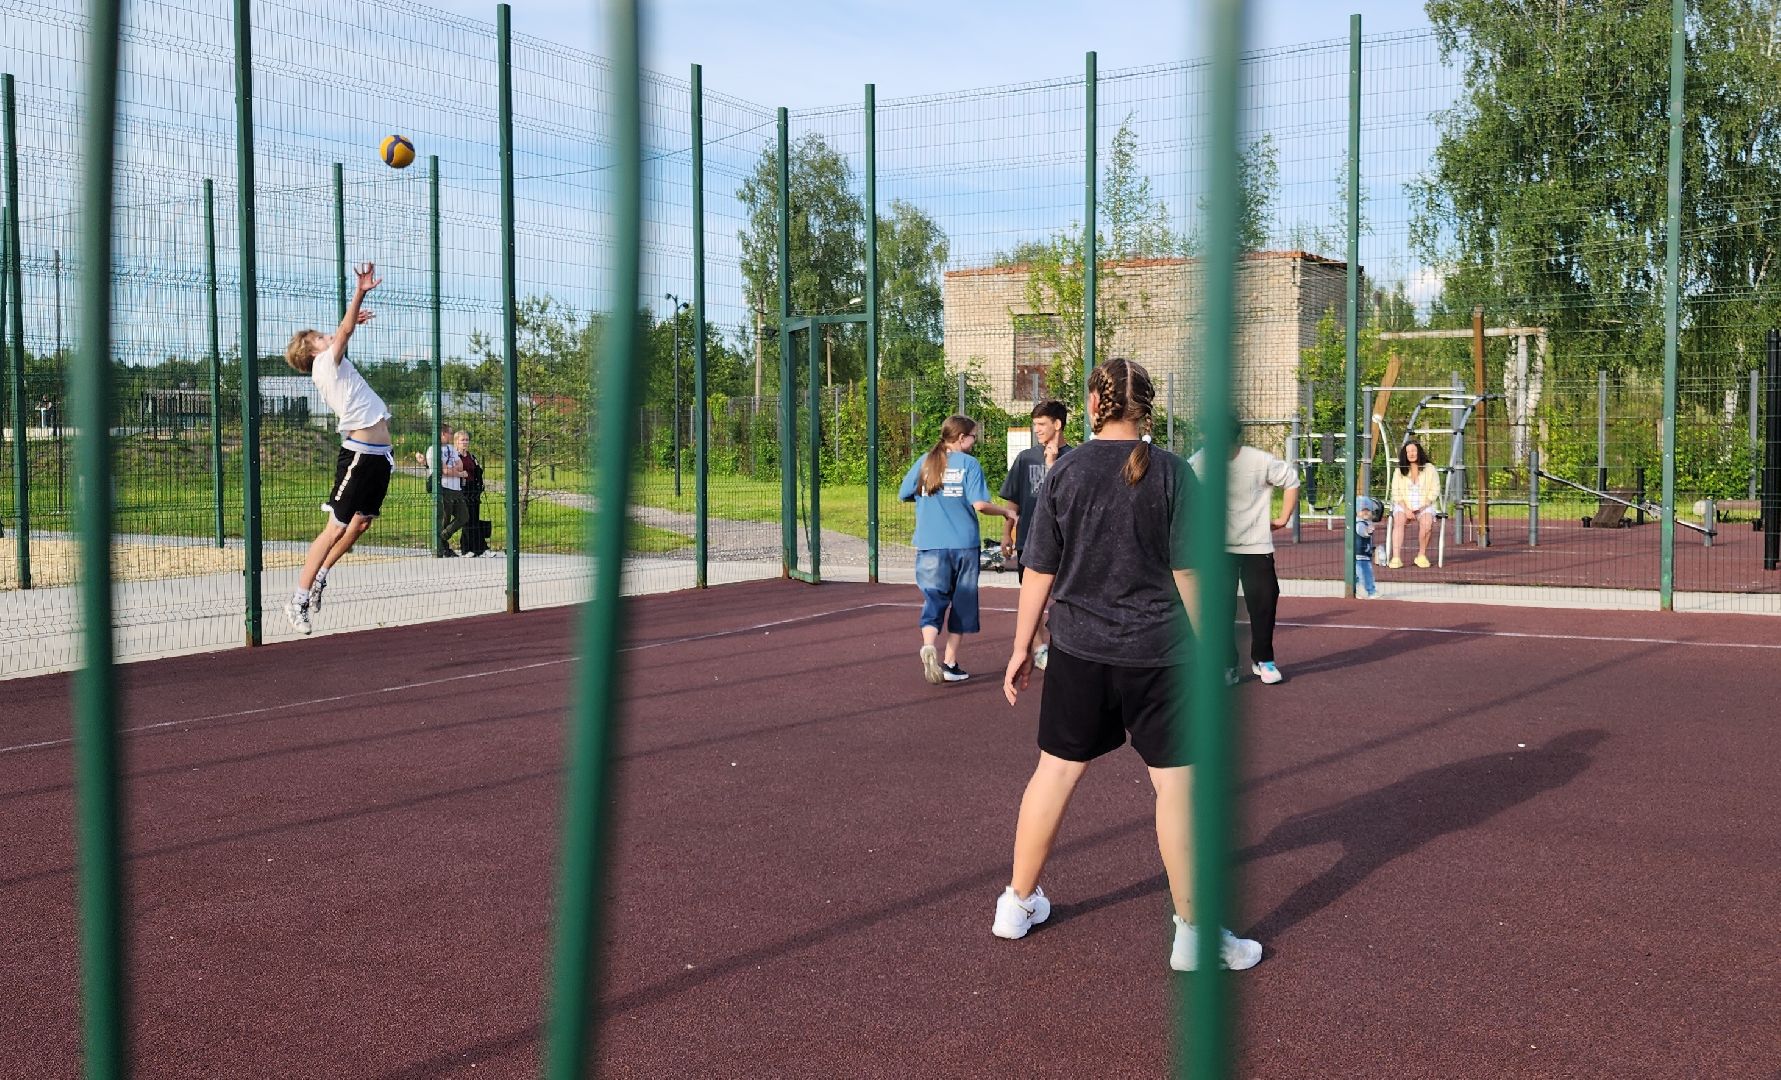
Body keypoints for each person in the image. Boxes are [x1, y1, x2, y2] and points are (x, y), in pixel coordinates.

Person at [996, 357, 1262, 972]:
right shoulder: (1170, 472)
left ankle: (1015, 904)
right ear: (1146, 405)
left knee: (1055, 773)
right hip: (1159, 654)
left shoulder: (1063, 471)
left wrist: (1019, 648)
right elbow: (1189, 571)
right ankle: (1195, 934)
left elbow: (1039, 569)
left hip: (1079, 650)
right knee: (1177, 786)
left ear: (1093, 405)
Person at [280, 262, 389, 636]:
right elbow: (342, 331)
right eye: (321, 338)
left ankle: (323, 574)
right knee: (335, 527)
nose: (330, 337)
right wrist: (360, 291)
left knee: (361, 522)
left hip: (379, 456)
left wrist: (351, 324)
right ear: (312, 351)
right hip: (358, 454)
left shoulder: (330, 363)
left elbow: (343, 332)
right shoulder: (325, 363)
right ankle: (297, 599)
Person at [898, 414, 1017, 685]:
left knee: (934, 599)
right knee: (962, 603)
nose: (975, 441)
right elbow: (980, 504)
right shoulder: (970, 464)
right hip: (963, 545)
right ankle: (950, 663)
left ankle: (929, 644)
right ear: (962, 438)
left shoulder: (925, 461)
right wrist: (1007, 511)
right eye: (974, 436)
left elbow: (904, 493)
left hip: (930, 544)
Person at [1189, 420, 1299, 686]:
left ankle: (1264, 660)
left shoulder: (1259, 460)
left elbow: (1292, 480)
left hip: (1256, 546)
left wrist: (1283, 518)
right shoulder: (1200, 462)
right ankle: (1228, 665)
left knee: (1263, 605)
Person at [999, 399, 1072, 670]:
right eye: (1035, 425)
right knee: (1032, 596)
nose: (1037, 430)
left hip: (1065, 543)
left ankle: (1066, 646)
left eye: (1042, 424)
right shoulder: (1025, 458)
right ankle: (1039, 647)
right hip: (1028, 538)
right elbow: (1013, 502)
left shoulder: (1074, 458)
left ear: (1058, 424)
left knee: (1063, 595)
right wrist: (1008, 534)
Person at [414, 424, 468, 557]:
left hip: (456, 487)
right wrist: (459, 474)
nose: (451, 435)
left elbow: (460, 465)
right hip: (444, 488)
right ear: (443, 434)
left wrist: (454, 471)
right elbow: (443, 471)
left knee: (464, 516)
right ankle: (442, 547)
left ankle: (441, 538)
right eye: (450, 433)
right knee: (445, 517)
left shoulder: (451, 448)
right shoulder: (433, 450)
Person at [1389, 439, 1441, 569]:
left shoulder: (1430, 469)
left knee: (1427, 524)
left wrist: (1423, 506)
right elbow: (1396, 492)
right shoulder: (1399, 470)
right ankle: (1396, 557)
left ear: (1418, 451)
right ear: (1404, 454)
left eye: (1413, 450)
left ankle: (1421, 555)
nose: (1411, 454)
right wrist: (1406, 509)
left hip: (1424, 505)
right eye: (1408, 452)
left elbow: (1435, 489)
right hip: (1404, 505)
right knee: (1399, 521)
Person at [456, 430, 488, 556]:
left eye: (467, 440)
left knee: (474, 518)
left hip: (473, 489)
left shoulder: (471, 456)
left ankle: (478, 548)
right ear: (456, 442)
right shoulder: (455, 456)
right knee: (467, 519)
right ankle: (466, 548)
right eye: (462, 440)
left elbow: (477, 472)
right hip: (462, 489)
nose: (465, 442)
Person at [1354, 495, 1381, 599]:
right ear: (1357, 512)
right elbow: (1361, 532)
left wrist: (1373, 549)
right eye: (1362, 511)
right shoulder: (1359, 523)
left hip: (1365, 555)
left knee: (1365, 574)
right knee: (1363, 575)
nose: (1365, 513)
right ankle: (1368, 591)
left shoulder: (1366, 523)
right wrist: (1367, 531)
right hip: (1359, 555)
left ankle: (1367, 591)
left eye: (1368, 511)